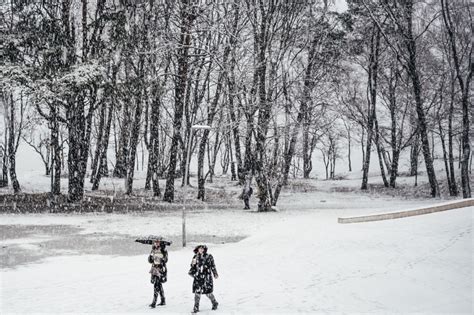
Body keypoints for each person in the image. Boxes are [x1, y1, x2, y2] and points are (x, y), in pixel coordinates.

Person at [188, 245, 219, 313]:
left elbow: (213, 266)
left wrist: (215, 273)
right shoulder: (195, 257)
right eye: (200, 248)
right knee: (197, 292)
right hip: (198, 277)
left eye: (202, 249)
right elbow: (192, 266)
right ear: (198, 249)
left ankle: (214, 302)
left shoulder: (209, 256)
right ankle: (196, 307)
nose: (201, 250)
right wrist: (192, 268)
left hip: (206, 277)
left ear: (205, 249)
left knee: (208, 292)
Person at [148, 239, 168, 308]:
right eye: (155, 242)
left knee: (156, 285)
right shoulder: (153, 250)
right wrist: (151, 256)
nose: (156, 243)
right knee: (158, 285)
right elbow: (150, 261)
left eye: (157, 242)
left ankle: (154, 302)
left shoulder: (163, 250)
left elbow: (166, 260)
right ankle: (163, 300)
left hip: (161, 269)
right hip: (154, 269)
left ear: (160, 243)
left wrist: (160, 256)